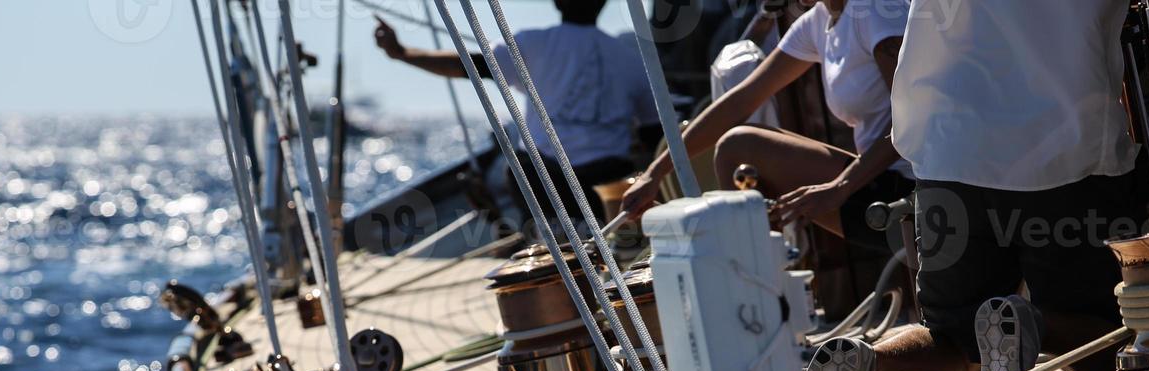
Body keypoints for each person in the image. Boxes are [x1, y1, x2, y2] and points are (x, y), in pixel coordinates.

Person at [795, 0, 1149, 371]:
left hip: (950, 152)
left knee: (955, 342)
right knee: (1114, 357)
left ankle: (869, 361)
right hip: (1064, 149)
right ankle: (1033, 327)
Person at [620, 0, 913, 252]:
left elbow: (913, 118)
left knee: (738, 148)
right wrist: (654, 173)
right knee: (738, 147)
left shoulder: (872, 10)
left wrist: (839, 188)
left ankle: (755, 289)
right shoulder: (818, 22)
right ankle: (767, 289)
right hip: (874, 183)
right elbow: (739, 103)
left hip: (914, 194)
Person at [373, 0, 655, 222]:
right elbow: (653, 132)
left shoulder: (533, 44)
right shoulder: (630, 59)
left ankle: (549, 245)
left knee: (523, 167)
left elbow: (469, 66)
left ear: (557, 2)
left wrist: (403, 53)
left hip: (548, 184)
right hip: (610, 184)